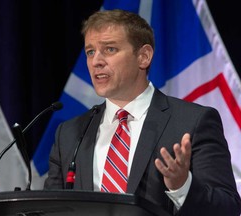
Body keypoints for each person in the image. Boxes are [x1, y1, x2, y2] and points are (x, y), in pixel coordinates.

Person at [44, 9, 241, 215]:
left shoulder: (193, 121)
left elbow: (227, 208)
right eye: (90, 52)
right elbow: (51, 209)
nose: (96, 62)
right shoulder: (70, 133)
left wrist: (182, 186)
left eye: (109, 49)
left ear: (144, 57)